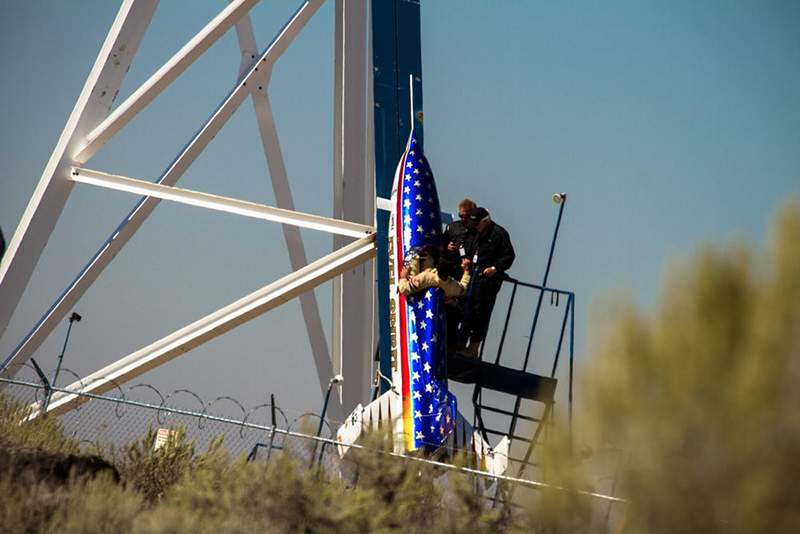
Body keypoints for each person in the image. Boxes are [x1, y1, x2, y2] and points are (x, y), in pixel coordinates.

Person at [459, 207, 515, 358]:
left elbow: (509, 256)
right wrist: (464, 258)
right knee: (466, 310)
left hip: (488, 282)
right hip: (472, 277)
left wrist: (495, 268)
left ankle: (473, 348)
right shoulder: (472, 231)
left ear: (486, 222)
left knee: (481, 313)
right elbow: (462, 244)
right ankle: (459, 344)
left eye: (477, 224)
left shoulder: (499, 234)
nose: (475, 226)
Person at [397, 245, 472, 297]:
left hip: (417, 285)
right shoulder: (452, 286)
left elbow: (403, 289)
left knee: (414, 258)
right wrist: (466, 271)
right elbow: (463, 289)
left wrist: (403, 278)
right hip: (428, 274)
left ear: (437, 267)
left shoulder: (426, 277)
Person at [438, 198, 477, 280]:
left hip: (466, 270)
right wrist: (447, 247)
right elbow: (442, 243)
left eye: (466, 216)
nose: (463, 219)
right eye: (461, 216)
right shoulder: (453, 227)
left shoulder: (478, 231)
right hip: (450, 266)